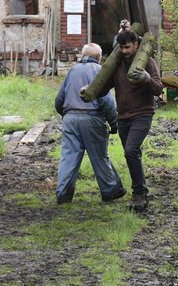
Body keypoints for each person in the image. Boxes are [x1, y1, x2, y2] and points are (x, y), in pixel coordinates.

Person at [97, 29, 163, 211]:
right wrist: (91, 89)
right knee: (132, 154)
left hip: (143, 114)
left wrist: (147, 79)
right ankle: (141, 189)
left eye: (127, 47)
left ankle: (139, 194)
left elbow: (158, 89)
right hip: (123, 116)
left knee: (131, 150)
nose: (124, 51)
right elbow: (104, 88)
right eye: (122, 48)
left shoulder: (148, 62)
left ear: (136, 44)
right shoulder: (117, 64)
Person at [54, 44, 126, 204]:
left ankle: (63, 194)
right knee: (99, 156)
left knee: (68, 157)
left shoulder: (72, 70)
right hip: (92, 119)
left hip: (70, 119)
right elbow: (106, 101)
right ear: (99, 57)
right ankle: (110, 190)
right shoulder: (99, 71)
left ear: (83, 55)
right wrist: (114, 123)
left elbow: (59, 99)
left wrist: (67, 115)